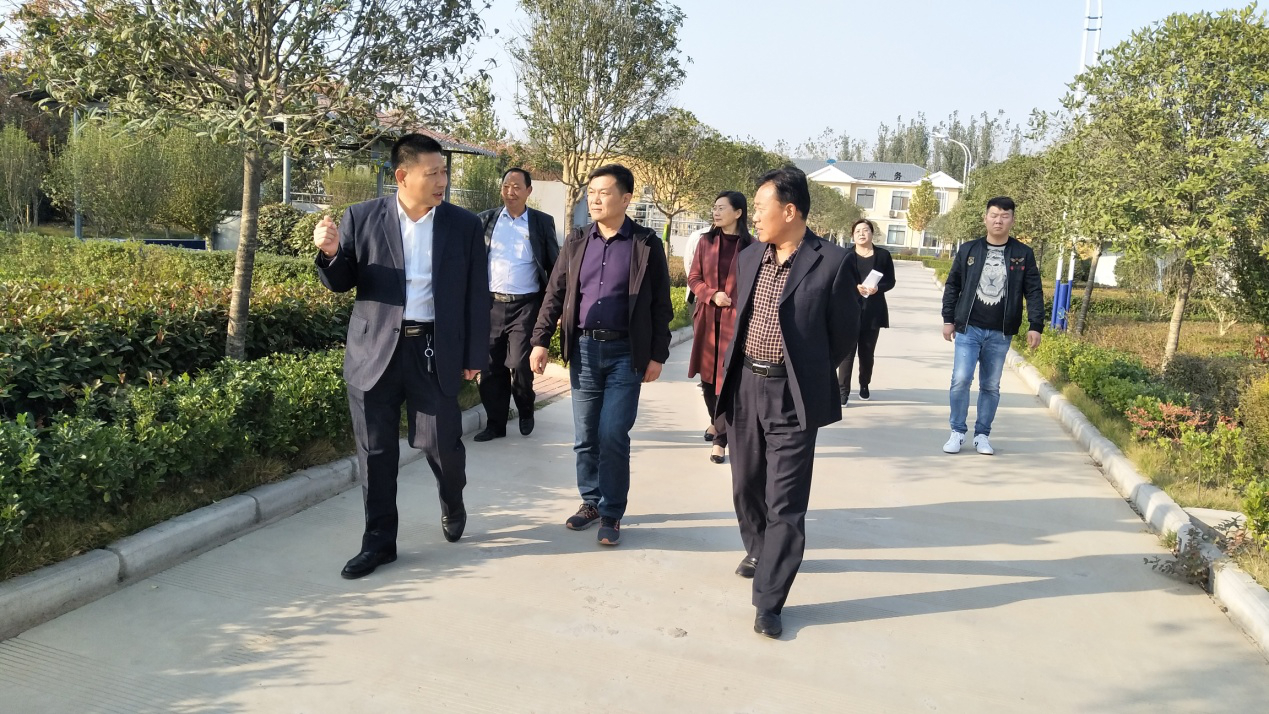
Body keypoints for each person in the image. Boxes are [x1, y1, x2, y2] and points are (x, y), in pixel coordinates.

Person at [313, 133, 490, 579]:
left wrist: (474, 354)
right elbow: (342, 281)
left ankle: (452, 499)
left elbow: (476, 294)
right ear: (402, 176)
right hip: (374, 353)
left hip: (433, 350)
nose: (442, 181)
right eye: (433, 173)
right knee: (375, 453)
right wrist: (330, 253)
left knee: (442, 444)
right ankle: (379, 543)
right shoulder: (362, 217)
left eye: (444, 172)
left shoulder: (463, 225)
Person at [715, 166, 859, 638]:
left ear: (790, 210)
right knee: (745, 486)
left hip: (791, 395)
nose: (754, 216)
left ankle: (770, 599)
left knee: (786, 503)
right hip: (745, 386)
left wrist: (805, 370)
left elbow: (844, 335)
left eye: (761, 208)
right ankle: (760, 549)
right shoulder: (749, 255)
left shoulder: (832, 262)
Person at [529, 164, 673, 547]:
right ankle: (590, 502)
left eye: (603, 192)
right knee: (585, 436)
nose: (594, 199)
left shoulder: (645, 244)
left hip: (627, 352)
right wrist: (540, 340)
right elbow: (555, 294)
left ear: (626, 199)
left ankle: (612, 512)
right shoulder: (577, 241)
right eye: (591, 192)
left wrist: (658, 354)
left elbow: (661, 305)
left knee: (612, 433)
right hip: (585, 350)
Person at [940, 196, 1044, 456]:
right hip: (968, 328)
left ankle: (982, 435)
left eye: (1005, 216)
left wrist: (1036, 325)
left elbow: (1033, 291)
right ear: (985, 218)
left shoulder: (1023, 254)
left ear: (1012, 220)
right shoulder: (969, 250)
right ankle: (957, 431)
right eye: (994, 215)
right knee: (961, 380)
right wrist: (948, 319)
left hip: (1000, 332)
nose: (999, 220)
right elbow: (953, 285)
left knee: (990, 385)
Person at [473, 168, 559, 442]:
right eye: (506, 186)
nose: (510, 192)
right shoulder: (485, 220)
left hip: (525, 306)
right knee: (490, 366)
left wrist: (555, 307)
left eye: (517, 187)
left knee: (521, 364)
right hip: (491, 305)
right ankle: (495, 424)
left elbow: (554, 267)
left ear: (528, 191)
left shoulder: (541, 223)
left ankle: (525, 408)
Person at [687, 191, 754, 464]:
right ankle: (716, 422)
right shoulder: (706, 241)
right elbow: (694, 278)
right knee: (707, 379)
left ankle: (720, 441)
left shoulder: (753, 246)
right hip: (707, 319)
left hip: (735, 322)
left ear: (738, 212)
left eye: (722, 208)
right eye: (714, 207)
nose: (716, 212)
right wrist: (711, 294)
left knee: (726, 381)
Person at [838, 218, 896, 406]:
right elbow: (838, 281)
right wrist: (854, 287)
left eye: (865, 230)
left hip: (872, 312)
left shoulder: (883, 255)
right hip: (849, 310)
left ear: (872, 233)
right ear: (852, 236)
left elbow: (891, 281)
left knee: (867, 354)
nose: (862, 234)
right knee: (846, 354)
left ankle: (864, 383)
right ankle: (843, 391)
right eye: (858, 231)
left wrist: (878, 288)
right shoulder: (845, 256)